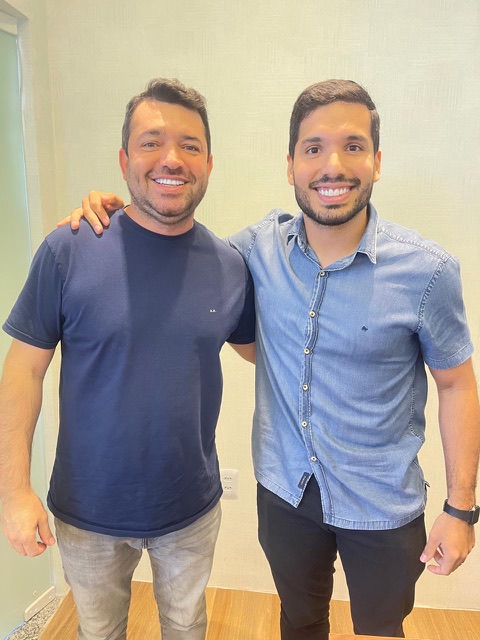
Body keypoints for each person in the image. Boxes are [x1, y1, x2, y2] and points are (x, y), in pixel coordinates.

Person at [61, 80, 479, 639]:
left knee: (382, 631)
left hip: (381, 500)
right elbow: (178, 247)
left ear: (377, 162)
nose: (332, 165)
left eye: (353, 146)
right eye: (313, 148)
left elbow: (456, 386)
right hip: (286, 492)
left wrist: (460, 509)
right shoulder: (255, 250)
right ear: (290, 166)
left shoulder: (427, 272)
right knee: (299, 623)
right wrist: (113, 215)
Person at [0, 78, 255, 640]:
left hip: (189, 506)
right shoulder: (69, 249)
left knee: (186, 625)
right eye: (151, 142)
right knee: (99, 631)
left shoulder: (230, 266)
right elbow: (23, 370)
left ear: (209, 163)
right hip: (87, 511)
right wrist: (13, 492)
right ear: (124, 160)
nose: (172, 159)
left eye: (190, 145)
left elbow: (266, 352)